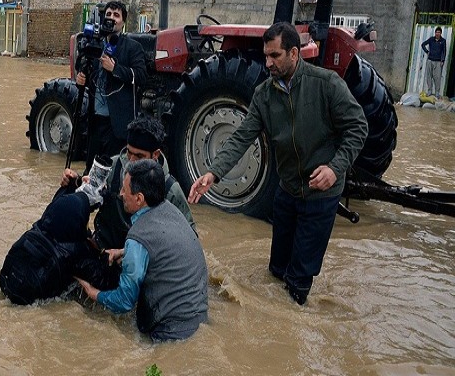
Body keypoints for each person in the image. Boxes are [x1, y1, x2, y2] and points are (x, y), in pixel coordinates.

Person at [188, 21, 368, 305]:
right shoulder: (263, 95)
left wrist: (335, 168)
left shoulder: (326, 84)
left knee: (298, 284)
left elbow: (358, 127)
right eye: (266, 56)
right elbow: (241, 137)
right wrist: (213, 172)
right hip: (286, 192)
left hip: (320, 195)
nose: (268, 62)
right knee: (276, 271)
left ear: (294, 53)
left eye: (275, 56)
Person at [77, 159, 209, 342]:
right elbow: (161, 246)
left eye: (125, 190)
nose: (121, 194)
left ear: (139, 198)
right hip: (199, 320)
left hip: (169, 335)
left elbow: (124, 301)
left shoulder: (138, 237)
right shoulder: (171, 210)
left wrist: (94, 293)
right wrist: (124, 252)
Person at [61, 115, 195, 253]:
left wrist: (127, 253)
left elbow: (189, 240)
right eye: (129, 153)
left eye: (139, 156)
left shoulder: (170, 189)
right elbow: (88, 198)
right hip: (103, 250)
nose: (131, 161)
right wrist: (75, 183)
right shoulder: (111, 167)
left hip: (141, 260)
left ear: (155, 155)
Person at [0, 186, 101, 305]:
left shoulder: (42, 224)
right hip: (33, 303)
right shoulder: (77, 252)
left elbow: (59, 204)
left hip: (6, 285)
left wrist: (68, 186)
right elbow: (103, 279)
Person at [77, 0, 147, 171]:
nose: (111, 18)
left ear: (123, 22)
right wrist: (81, 80)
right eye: (108, 14)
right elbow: (85, 71)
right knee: (90, 171)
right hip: (95, 122)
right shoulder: (95, 44)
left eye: (116, 15)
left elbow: (141, 76)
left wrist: (115, 68)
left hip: (117, 124)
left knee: (114, 171)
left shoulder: (132, 47)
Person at [421, 26, 447, 99]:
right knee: (429, 76)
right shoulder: (431, 39)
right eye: (436, 32)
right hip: (430, 60)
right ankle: (429, 91)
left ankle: (437, 93)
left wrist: (442, 60)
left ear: (441, 33)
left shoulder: (443, 41)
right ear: (435, 33)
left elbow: (444, 52)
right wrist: (427, 51)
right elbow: (423, 44)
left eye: (439, 32)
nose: (437, 33)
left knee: (437, 77)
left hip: (438, 62)